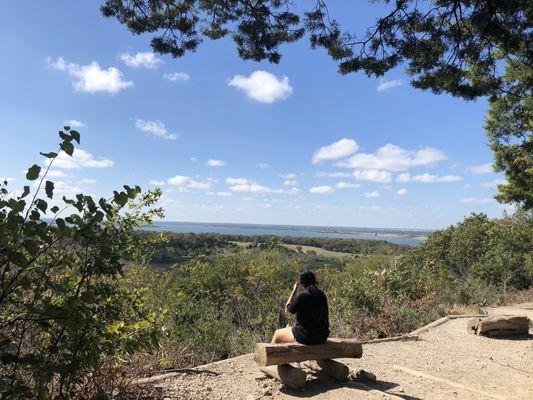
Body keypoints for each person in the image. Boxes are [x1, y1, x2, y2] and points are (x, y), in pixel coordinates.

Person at [271, 270, 329, 345]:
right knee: (289, 328)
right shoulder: (322, 295)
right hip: (322, 337)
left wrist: (294, 290)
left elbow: (287, 311)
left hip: (307, 337)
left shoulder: (303, 296)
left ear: (302, 283)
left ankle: (270, 355)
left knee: (277, 333)